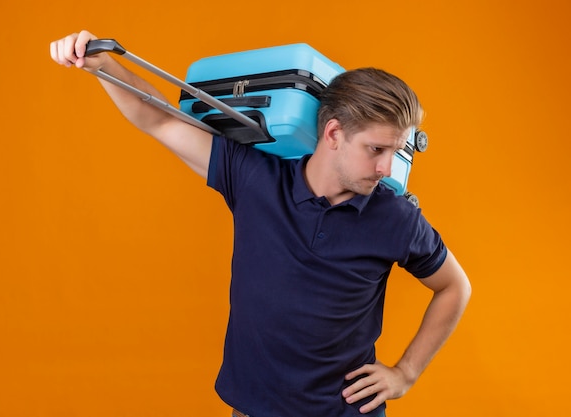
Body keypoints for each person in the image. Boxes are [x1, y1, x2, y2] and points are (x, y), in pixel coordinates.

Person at [50, 30, 471, 417]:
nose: (385, 167)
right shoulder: (254, 178)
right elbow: (158, 119)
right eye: (375, 148)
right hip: (252, 410)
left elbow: (454, 286)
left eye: (394, 151)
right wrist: (103, 65)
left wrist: (405, 373)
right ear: (333, 133)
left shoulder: (396, 217)